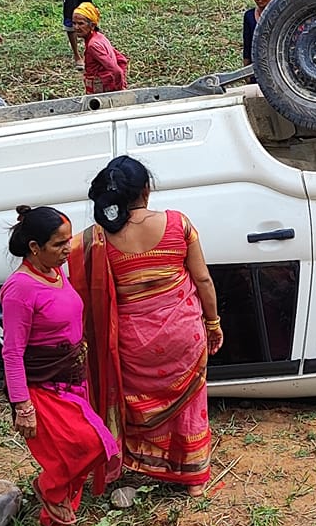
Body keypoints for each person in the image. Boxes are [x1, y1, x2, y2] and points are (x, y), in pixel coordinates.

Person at [73, 157, 220, 488]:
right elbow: (204, 281)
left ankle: (143, 465)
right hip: (184, 334)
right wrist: (213, 324)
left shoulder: (96, 240)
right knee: (191, 402)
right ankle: (194, 478)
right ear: (146, 190)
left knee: (140, 404)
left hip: (132, 344)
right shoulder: (178, 224)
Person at [2, 206, 120, 526]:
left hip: (72, 380)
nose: (68, 249)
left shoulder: (57, 273)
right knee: (88, 446)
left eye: (68, 240)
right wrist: (22, 405)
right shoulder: (20, 290)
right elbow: (11, 352)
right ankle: (52, 495)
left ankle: (56, 520)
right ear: (35, 247)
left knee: (86, 450)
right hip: (42, 387)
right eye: (59, 244)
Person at [70, 3, 129, 94]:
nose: (76, 27)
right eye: (74, 23)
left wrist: (119, 91)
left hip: (102, 92)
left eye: (81, 23)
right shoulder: (100, 37)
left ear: (92, 25)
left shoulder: (93, 46)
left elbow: (116, 70)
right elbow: (121, 59)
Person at [242, 0, 279, 65]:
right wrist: (246, 71)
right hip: (257, 66)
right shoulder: (249, 16)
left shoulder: (280, 16)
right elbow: (247, 46)